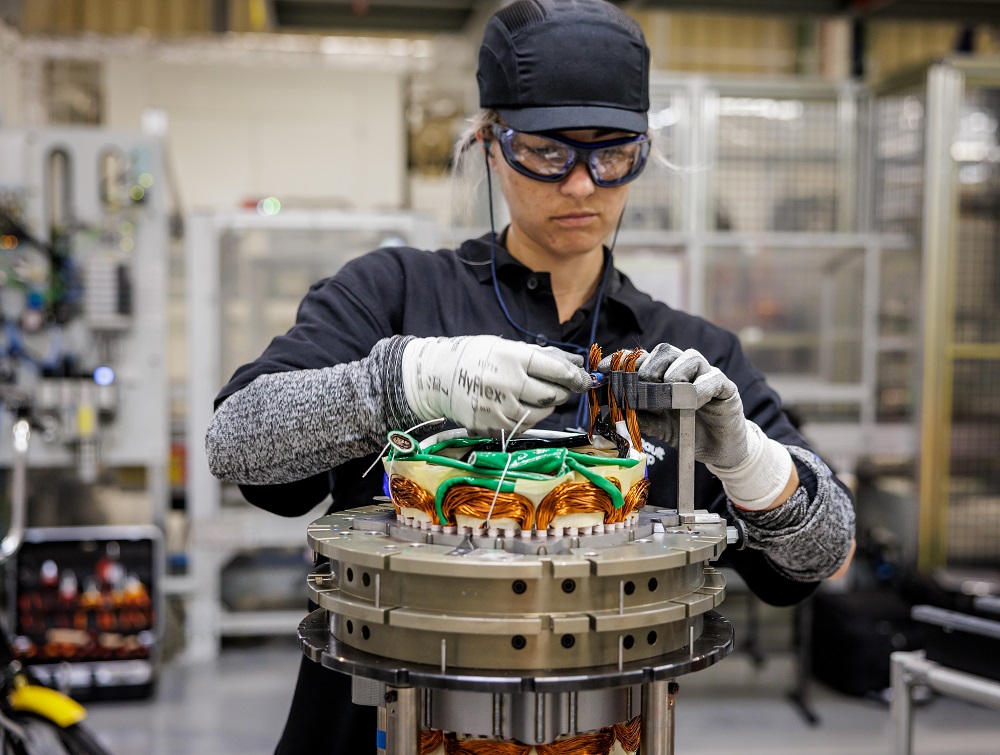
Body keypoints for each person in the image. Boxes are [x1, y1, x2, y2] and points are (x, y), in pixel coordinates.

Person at [205, 0, 856, 751]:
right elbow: (236, 441)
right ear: (489, 145)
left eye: (612, 153)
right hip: (379, 724)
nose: (582, 184)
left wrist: (750, 464)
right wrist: (399, 380)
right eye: (549, 152)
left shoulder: (681, 352)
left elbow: (825, 551)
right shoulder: (395, 293)